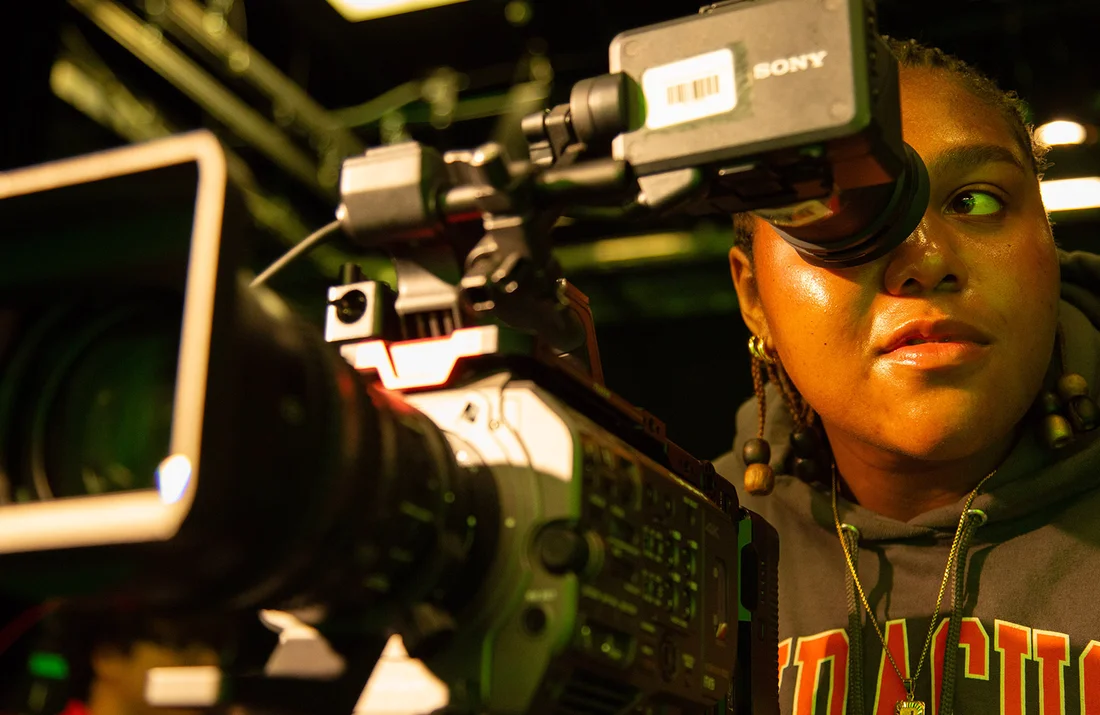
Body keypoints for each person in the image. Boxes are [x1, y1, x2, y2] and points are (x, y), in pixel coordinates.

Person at [712, 37, 1100, 715]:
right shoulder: (692, 544)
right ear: (754, 297)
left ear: (1048, 236)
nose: (923, 260)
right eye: (841, 216)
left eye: (973, 201)